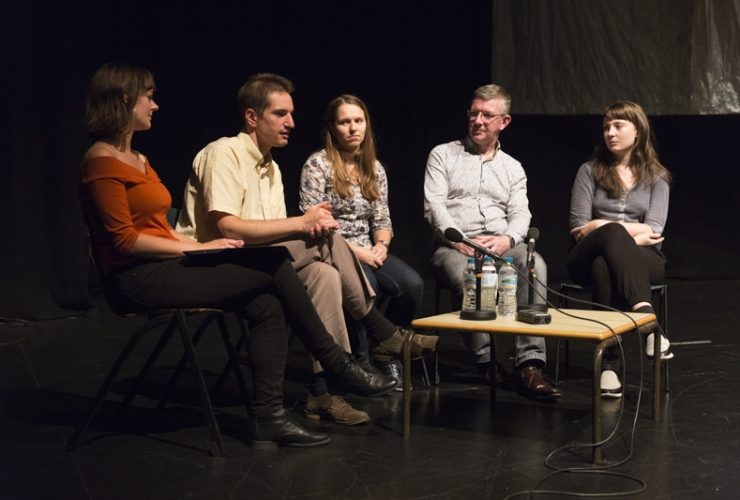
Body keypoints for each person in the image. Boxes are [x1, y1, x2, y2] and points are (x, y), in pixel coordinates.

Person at [79, 62, 397, 448]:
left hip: (176, 263)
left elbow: (156, 225)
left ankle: (271, 414)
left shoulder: (140, 161)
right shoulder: (100, 161)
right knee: (278, 262)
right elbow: (125, 241)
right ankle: (343, 359)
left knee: (267, 301)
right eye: (148, 96)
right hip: (136, 278)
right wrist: (195, 247)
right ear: (125, 99)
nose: (155, 105)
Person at [177, 74, 436, 424]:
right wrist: (303, 224)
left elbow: (271, 235)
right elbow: (229, 228)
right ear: (252, 117)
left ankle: (325, 393)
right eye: (281, 114)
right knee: (322, 233)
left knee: (325, 275)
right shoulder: (224, 153)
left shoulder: (271, 168)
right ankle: (381, 330)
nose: (291, 123)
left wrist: (376, 243)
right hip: (215, 265)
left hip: (258, 261)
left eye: (292, 114)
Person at [424, 83, 561, 402]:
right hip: (454, 245)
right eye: (474, 113)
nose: (478, 120)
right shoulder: (443, 155)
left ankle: (529, 366)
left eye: (487, 115)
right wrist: (457, 239)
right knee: (466, 275)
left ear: (504, 122)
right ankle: (486, 362)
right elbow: (434, 206)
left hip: (500, 244)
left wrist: (508, 239)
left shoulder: (512, 168)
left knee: (535, 264)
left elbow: (520, 212)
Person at [299, 95, 427, 380]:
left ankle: (386, 348)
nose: (353, 128)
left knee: (412, 284)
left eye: (358, 121)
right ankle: (361, 362)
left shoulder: (375, 168)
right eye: (344, 122)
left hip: (370, 250)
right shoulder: (318, 165)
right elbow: (317, 225)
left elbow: (381, 218)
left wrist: (381, 246)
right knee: (364, 285)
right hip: (332, 250)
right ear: (333, 128)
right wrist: (361, 254)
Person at [568, 100, 672, 398]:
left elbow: (654, 231)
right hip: (583, 256)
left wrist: (599, 227)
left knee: (605, 263)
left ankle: (608, 366)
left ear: (637, 131)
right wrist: (618, 232)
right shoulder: (589, 171)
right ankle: (650, 325)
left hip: (644, 259)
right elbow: (578, 228)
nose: (609, 133)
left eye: (618, 126)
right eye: (606, 127)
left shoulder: (657, 177)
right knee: (608, 237)